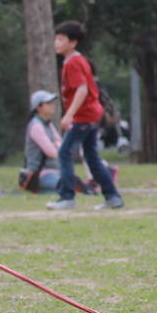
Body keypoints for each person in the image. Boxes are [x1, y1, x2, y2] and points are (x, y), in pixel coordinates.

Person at [46, 21, 122, 212]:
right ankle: (113, 197)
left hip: (84, 116)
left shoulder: (73, 62)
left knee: (64, 153)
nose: (57, 42)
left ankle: (67, 197)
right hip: (92, 114)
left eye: (61, 39)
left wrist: (69, 115)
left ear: (73, 42)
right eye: (56, 39)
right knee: (91, 157)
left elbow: (82, 89)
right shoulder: (76, 61)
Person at [21, 90, 67, 193]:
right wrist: (56, 145)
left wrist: (54, 144)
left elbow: (62, 145)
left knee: (73, 185)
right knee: (66, 186)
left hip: (55, 172)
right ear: (39, 107)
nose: (52, 105)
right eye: (48, 103)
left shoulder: (48, 124)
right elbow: (52, 153)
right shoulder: (36, 125)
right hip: (38, 175)